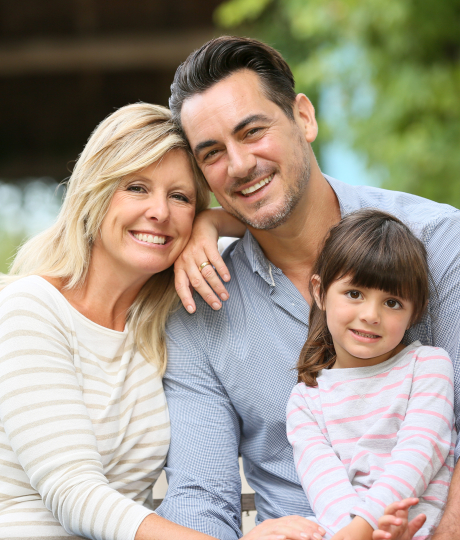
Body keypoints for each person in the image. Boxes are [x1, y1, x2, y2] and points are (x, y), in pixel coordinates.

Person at [155, 36, 460, 540]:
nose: (239, 165)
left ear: (303, 118)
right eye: (212, 153)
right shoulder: (198, 307)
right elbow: (201, 494)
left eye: (252, 131)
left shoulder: (438, 241)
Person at [0, 103, 304, 540]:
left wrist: (210, 223)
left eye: (180, 197)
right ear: (96, 192)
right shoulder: (32, 308)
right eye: (137, 188)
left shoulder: (164, 322)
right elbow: (72, 491)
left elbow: (276, 212)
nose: (160, 212)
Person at [287, 209, 455, 540]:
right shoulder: (306, 400)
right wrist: (356, 532)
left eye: (392, 302)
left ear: (414, 312)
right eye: (354, 294)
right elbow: (325, 488)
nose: (370, 315)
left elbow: (421, 451)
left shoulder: (428, 366)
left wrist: (367, 525)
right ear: (320, 292)